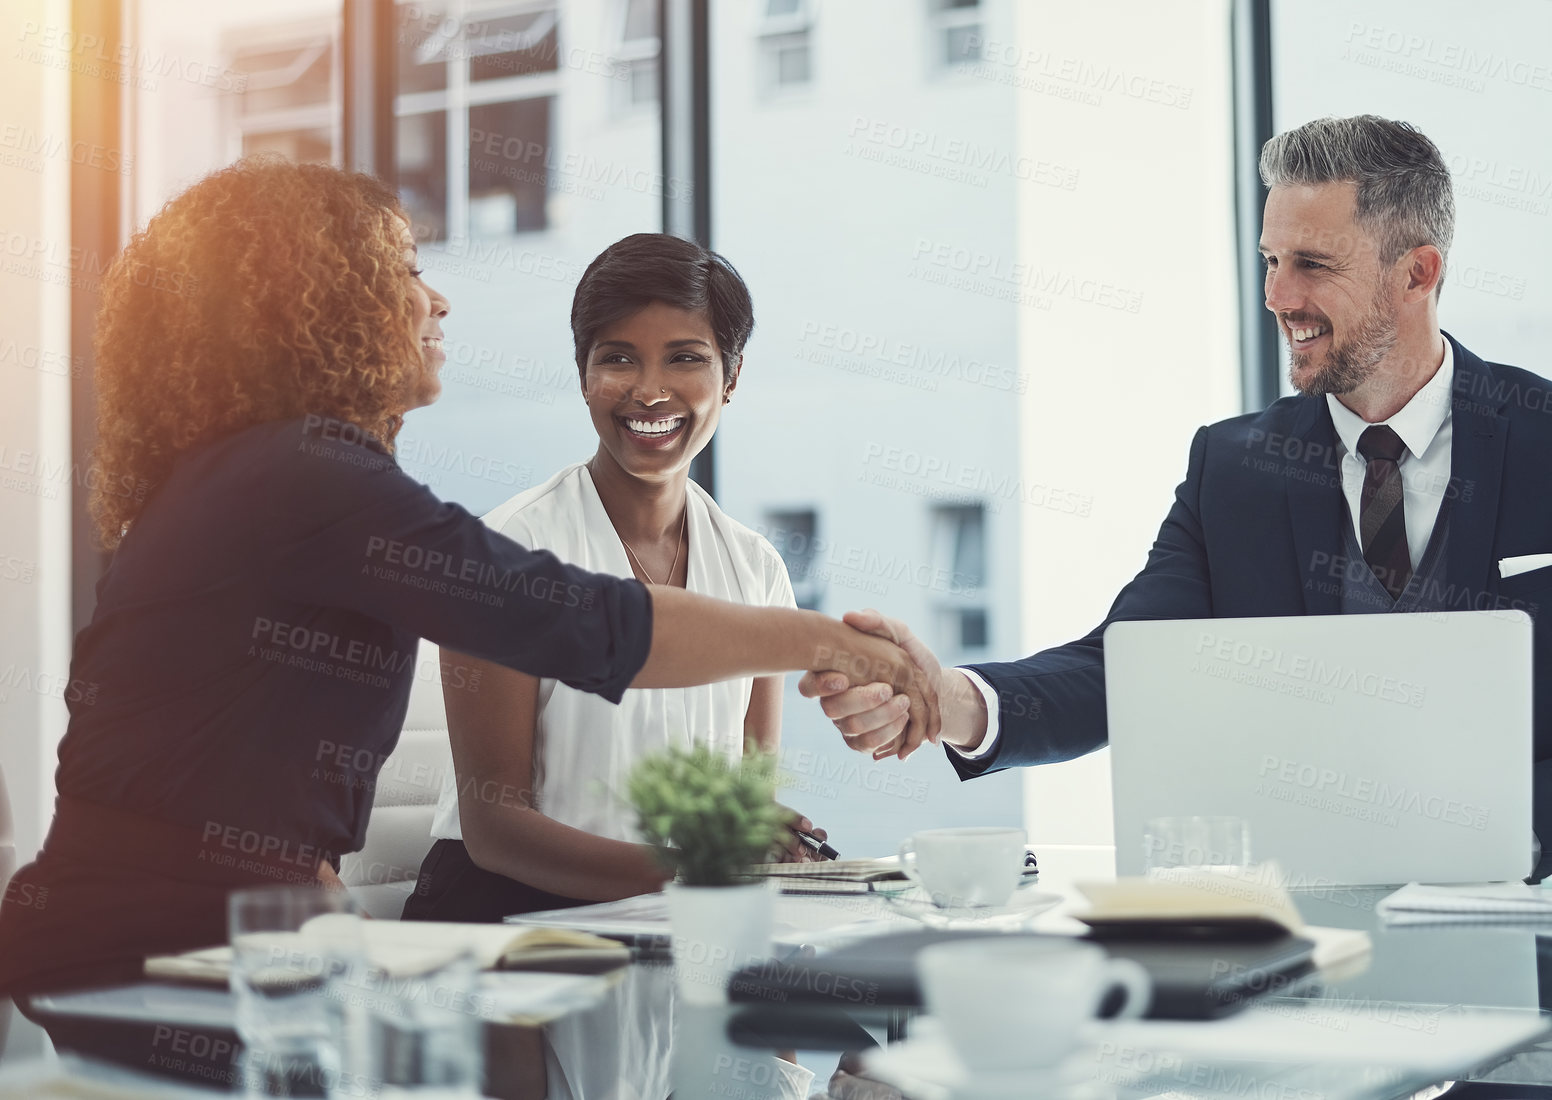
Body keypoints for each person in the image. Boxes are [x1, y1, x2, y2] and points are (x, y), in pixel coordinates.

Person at [0, 158, 932, 997]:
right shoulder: (305, 474)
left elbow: (232, 757)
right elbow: (579, 620)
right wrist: (825, 639)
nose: (437, 303)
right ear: (325, 300)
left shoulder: (264, 472)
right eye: (405, 273)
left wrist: (311, 891)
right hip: (150, 951)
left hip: (192, 929)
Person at [805, 115, 1552, 860]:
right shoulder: (1234, 468)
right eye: (1269, 259)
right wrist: (953, 697)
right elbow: (1121, 668)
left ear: (1419, 273)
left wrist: (1518, 822)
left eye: (1312, 264)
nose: (1276, 296)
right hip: (1315, 947)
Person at [403, 234, 822, 922]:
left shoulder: (755, 566)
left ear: (732, 377)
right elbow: (495, 829)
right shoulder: (512, 548)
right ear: (582, 373)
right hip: (508, 921)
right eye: (618, 359)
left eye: (685, 359)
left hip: (667, 921)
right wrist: (693, 875)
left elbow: (743, 800)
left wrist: (761, 835)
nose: (649, 390)